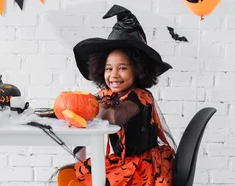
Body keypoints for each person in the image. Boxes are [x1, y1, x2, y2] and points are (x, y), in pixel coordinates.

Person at [56, 5, 178, 186]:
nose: (114, 75)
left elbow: (115, 116)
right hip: (121, 161)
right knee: (68, 174)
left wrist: (97, 108)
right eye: (108, 69)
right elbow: (82, 106)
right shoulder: (109, 94)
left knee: (81, 178)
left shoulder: (140, 97)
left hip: (141, 165)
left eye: (122, 68)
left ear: (138, 70)